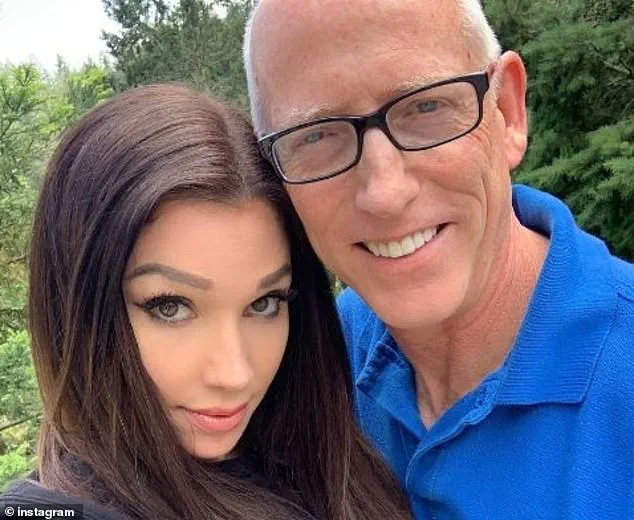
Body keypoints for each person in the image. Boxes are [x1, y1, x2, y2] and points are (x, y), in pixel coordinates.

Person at [244, 0, 634, 518]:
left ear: (507, 112)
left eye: (425, 108)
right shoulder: (312, 360)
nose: (384, 194)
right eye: (316, 135)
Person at [0, 84, 411, 520]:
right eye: (170, 307)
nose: (235, 374)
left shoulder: (328, 456)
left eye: (265, 303)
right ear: (73, 304)